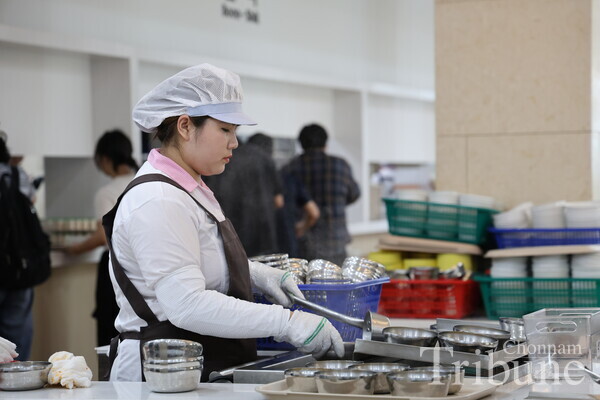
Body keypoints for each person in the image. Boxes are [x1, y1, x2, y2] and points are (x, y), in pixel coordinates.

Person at [106, 64, 344, 382]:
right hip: (162, 374)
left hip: (195, 364)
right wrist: (286, 322)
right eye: (225, 130)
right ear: (185, 126)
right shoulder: (158, 199)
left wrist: (255, 273)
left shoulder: (191, 188)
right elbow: (186, 304)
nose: (234, 143)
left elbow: (195, 259)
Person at [64, 130, 138, 347]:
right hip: (140, 262)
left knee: (110, 324)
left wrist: (75, 249)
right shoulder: (143, 179)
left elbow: (103, 234)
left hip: (114, 265)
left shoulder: (106, 192)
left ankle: (110, 375)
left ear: (105, 159)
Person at [282, 123, 360, 265]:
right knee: (338, 282)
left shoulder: (290, 168)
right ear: (326, 143)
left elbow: (286, 204)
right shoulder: (340, 165)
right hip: (335, 240)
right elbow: (354, 194)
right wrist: (337, 202)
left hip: (304, 243)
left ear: (301, 144)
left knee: (305, 285)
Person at [203, 132, 283, 257]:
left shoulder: (219, 161)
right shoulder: (264, 158)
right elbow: (279, 201)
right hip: (264, 234)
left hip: (231, 234)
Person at [245, 133, 320, 257]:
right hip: (287, 247)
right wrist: (300, 228)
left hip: (254, 250)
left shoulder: (243, 181)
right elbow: (314, 212)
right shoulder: (287, 178)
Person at [0, 130, 36, 361]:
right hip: (19, 266)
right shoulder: (16, 174)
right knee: (15, 340)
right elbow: (31, 201)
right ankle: (18, 385)